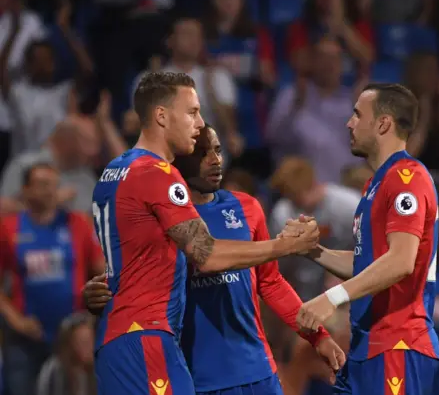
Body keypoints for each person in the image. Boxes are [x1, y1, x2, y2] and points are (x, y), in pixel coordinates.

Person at [89, 71, 320, 395]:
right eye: (192, 112)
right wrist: (285, 246)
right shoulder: (157, 173)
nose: (198, 124)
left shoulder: (114, 171)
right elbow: (207, 254)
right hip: (147, 337)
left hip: (120, 337)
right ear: (161, 116)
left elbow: (128, 255)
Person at [283, 83, 439, 394]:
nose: (349, 123)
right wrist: (312, 251)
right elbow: (368, 264)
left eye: (357, 114)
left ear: (383, 123)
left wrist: (331, 298)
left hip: (398, 342)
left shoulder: (407, 178)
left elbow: (400, 261)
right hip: (369, 343)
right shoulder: (375, 185)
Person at [0, 163, 104, 395]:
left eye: (54, 185)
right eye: (43, 185)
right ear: (26, 190)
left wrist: (88, 322)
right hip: (25, 338)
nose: (50, 191)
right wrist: (17, 320)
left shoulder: (77, 223)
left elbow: (101, 273)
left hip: (72, 335)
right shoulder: (8, 228)